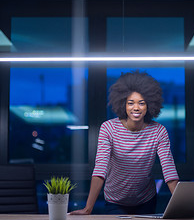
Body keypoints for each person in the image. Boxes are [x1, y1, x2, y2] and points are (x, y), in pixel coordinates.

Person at [70, 70, 179, 215]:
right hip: (115, 200)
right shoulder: (108, 128)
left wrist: (182, 208)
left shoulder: (158, 131)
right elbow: (100, 169)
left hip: (146, 200)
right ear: (123, 104)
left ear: (149, 105)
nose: (136, 108)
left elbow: (169, 170)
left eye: (141, 103)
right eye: (130, 103)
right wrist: (88, 208)